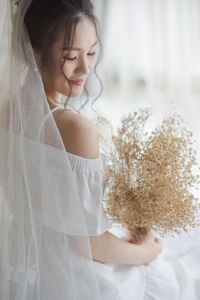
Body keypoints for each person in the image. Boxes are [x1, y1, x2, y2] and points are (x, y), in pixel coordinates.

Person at [0, 0, 199, 299]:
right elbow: (89, 245)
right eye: (70, 56)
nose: (85, 68)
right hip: (71, 276)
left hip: (20, 259)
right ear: (32, 51)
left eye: (91, 52)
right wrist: (144, 254)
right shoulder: (76, 128)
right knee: (174, 267)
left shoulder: (6, 110)